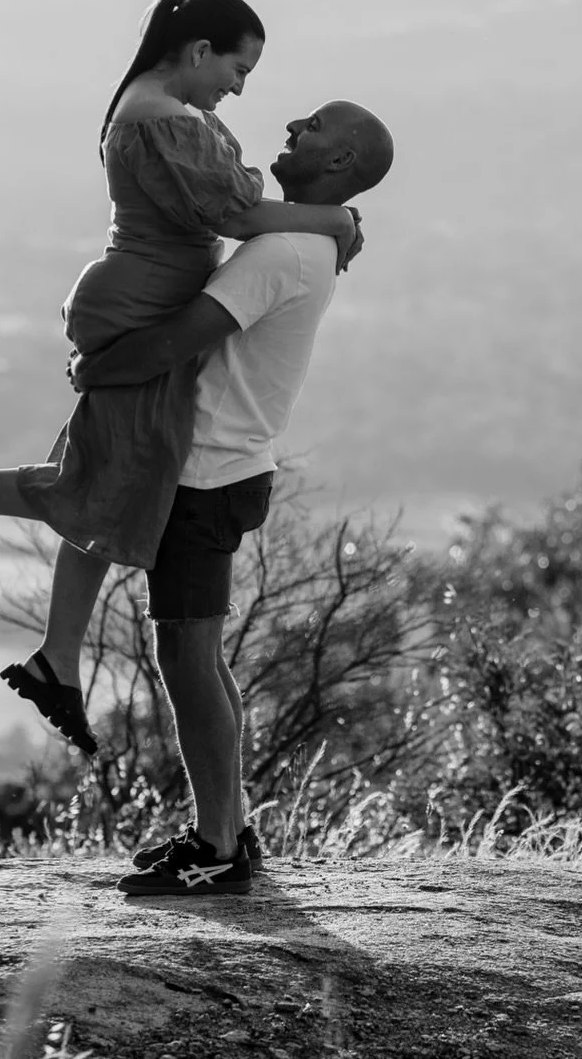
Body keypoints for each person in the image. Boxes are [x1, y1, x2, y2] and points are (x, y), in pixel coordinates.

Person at [0, 0, 361, 752]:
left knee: (112, 477)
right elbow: (235, 218)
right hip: (137, 309)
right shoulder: (161, 116)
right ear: (200, 50)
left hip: (141, 300)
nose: (240, 88)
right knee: (102, 477)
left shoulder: (163, 107)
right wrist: (331, 220)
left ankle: (57, 660)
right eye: (239, 68)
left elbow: (229, 210)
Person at [65, 99, 395, 896]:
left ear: (342, 161)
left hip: (207, 470)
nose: (291, 130)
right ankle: (225, 828)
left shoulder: (284, 249)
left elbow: (185, 335)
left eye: (313, 127)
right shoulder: (304, 237)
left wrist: (98, 368)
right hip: (228, 464)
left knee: (185, 654)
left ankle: (217, 847)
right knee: (198, 654)